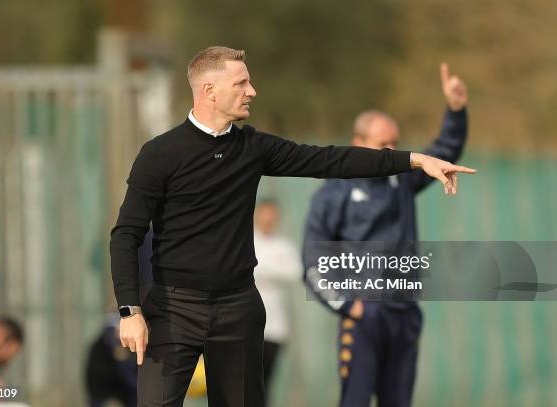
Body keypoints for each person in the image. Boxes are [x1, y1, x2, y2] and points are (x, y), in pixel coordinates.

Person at [109, 46, 475, 407]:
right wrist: (130, 310)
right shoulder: (160, 154)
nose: (251, 91)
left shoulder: (252, 147)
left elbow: (331, 160)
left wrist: (414, 160)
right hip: (174, 308)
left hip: (238, 309)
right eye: (242, 83)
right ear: (209, 91)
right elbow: (126, 234)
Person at [302, 63, 469, 407]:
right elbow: (312, 263)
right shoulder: (334, 193)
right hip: (365, 317)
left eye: (395, 143)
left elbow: (444, 153)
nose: (391, 151)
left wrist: (456, 110)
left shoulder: (402, 180)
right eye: (382, 144)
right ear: (357, 143)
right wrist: (350, 305)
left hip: (404, 313)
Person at [253, 199, 301, 403]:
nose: (268, 218)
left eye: (272, 214)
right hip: (244, 324)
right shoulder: (246, 241)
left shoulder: (285, 246)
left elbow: (294, 273)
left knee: (265, 381)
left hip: (273, 327)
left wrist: (261, 270)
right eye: (264, 213)